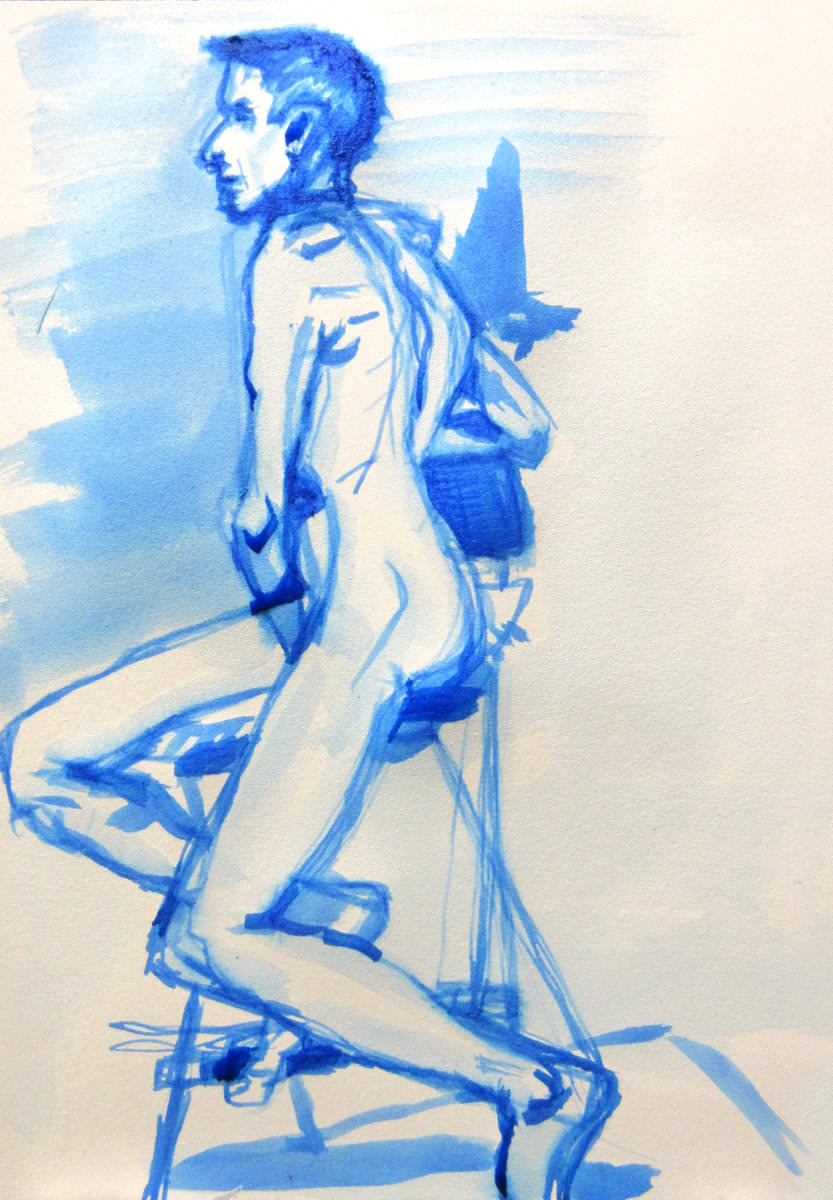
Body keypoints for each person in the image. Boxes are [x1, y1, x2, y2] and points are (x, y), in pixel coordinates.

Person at [2, 27, 617, 1198]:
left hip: (362, 623)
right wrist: (399, 413)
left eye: (236, 118)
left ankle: (536, 1086)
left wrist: (313, 498)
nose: (211, 146)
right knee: (42, 758)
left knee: (207, 937)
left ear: (296, 131)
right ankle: (327, 914)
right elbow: (526, 424)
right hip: (412, 610)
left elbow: (256, 506)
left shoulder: (290, 258)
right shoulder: (401, 254)